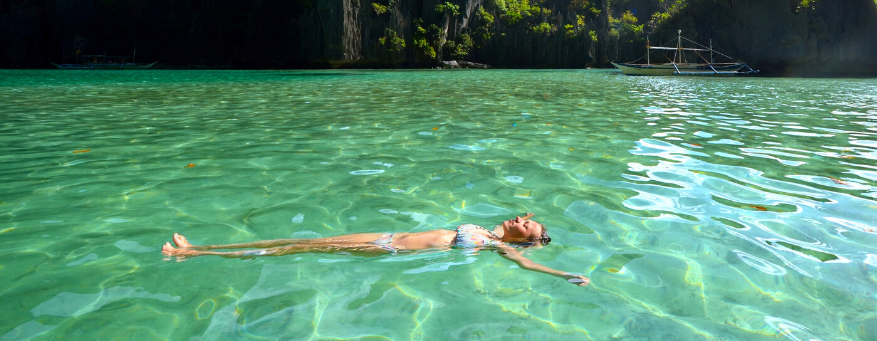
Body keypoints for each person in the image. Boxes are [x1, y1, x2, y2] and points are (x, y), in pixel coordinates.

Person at [161, 212, 590, 286]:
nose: (521, 218)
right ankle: (206, 245)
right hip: (385, 235)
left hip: (390, 253)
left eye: (527, 224)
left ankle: (194, 255)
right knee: (305, 241)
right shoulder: (485, 229)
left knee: (299, 251)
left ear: (526, 237)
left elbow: (527, 264)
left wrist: (562, 274)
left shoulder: (500, 249)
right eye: (523, 216)